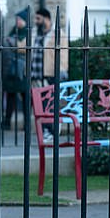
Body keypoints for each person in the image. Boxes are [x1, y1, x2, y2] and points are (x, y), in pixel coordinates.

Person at [31, 8, 69, 142]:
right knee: (39, 105)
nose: (36, 21)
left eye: (38, 19)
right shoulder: (36, 33)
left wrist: (61, 71)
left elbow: (63, 55)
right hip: (35, 76)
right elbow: (24, 46)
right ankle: (46, 131)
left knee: (50, 105)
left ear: (46, 19)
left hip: (50, 75)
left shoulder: (58, 34)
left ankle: (51, 132)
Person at [2, 7, 29, 130]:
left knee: (25, 97)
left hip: (23, 70)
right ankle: (7, 122)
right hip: (11, 68)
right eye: (16, 19)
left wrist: (13, 44)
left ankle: (26, 123)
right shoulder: (14, 31)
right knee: (11, 96)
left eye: (19, 19)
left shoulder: (28, 32)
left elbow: (25, 48)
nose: (17, 21)